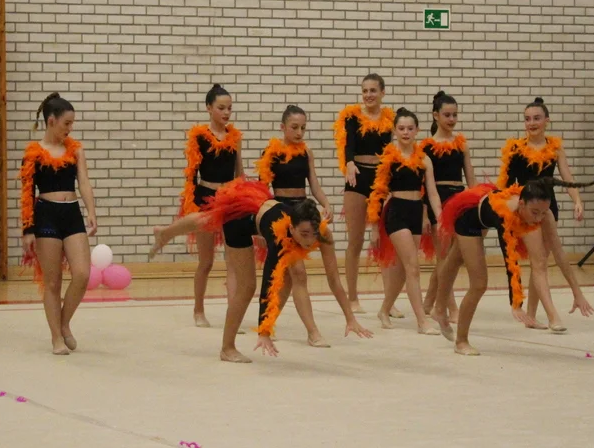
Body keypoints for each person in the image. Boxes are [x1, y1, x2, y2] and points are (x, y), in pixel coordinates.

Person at [150, 179, 372, 362]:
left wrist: (350, 318)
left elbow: (334, 280)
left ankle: (166, 232)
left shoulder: (322, 234)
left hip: (258, 205)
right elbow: (269, 283)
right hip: (241, 222)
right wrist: (264, 330)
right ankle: (227, 348)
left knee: (210, 217)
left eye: (313, 233)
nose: (309, 240)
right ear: (292, 227)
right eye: (304, 234)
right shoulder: (279, 237)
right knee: (247, 286)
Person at [433, 177, 594, 355]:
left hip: (485, 208)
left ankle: (439, 309)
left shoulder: (544, 215)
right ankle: (461, 341)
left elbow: (559, 254)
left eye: (543, 213)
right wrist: (516, 302)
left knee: (454, 259)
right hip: (468, 219)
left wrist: (577, 293)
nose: (538, 218)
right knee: (479, 284)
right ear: (521, 204)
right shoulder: (507, 214)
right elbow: (509, 256)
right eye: (535, 212)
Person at [497, 97, 593, 331]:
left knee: (541, 261)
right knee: (539, 261)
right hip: (526, 210)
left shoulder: (555, 148)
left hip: (548, 208)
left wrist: (577, 200)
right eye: (527, 119)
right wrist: (507, 210)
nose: (532, 123)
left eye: (537, 118)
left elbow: (567, 177)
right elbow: (505, 185)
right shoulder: (515, 148)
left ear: (547, 120)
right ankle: (552, 316)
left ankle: (531, 314)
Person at [20, 93, 98, 355]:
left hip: (71, 213)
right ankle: (56, 337)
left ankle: (64, 323)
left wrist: (91, 210)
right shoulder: (33, 153)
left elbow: (83, 181)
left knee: (82, 274)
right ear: (51, 121)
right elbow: (26, 192)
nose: (70, 128)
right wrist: (28, 229)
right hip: (46, 215)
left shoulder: (75, 150)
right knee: (52, 282)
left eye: (72, 123)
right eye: (67, 123)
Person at [255, 105, 335, 346]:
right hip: (280, 214)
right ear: (283, 127)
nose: (299, 132)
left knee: (290, 277)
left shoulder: (306, 152)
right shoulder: (272, 152)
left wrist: (326, 203)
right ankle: (312, 332)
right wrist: (261, 228)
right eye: (294, 127)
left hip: (302, 212)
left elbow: (314, 184)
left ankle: (268, 324)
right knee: (297, 272)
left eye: (303, 128)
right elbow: (261, 191)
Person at [366, 108, 444, 335]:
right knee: (413, 266)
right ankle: (422, 321)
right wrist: (374, 228)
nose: (406, 132)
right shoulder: (389, 157)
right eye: (401, 128)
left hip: (415, 211)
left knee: (403, 271)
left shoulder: (424, 160)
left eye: (410, 128)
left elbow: (432, 193)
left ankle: (384, 310)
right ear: (395, 130)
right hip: (396, 212)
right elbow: (378, 194)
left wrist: (440, 218)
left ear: (417, 130)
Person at [333, 73, 404, 317]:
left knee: (383, 240)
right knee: (356, 240)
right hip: (357, 177)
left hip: (380, 178)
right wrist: (349, 163)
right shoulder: (352, 116)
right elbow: (348, 144)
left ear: (382, 92)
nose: (368, 95)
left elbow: (393, 148)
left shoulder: (389, 119)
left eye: (373, 90)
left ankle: (389, 301)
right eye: (365, 90)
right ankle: (352, 297)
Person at [179, 84, 245, 328]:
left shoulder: (235, 137)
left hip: (230, 199)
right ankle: (198, 309)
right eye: (221, 108)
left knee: (233, 262)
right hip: (205, 198)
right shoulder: (199, 136)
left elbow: (239, 172)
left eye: (229, 108)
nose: (226, 113)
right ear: (209, 108)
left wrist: (244, 199)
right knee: (206, 261)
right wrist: (192, 207)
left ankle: (232, 314)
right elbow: (191, 176)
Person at [419, 91, 475, 326]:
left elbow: (470, 177)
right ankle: (450, 307)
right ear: (436, 115)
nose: (452, 119)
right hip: (437, 200)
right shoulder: (426, 147)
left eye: (455, 115)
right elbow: (422, 184)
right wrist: (424, 213)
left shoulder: (461, 144)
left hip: (459, 197)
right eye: (447, 115)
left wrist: (476, 202)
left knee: (452, 256)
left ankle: (428, 302)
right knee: (444, 256)